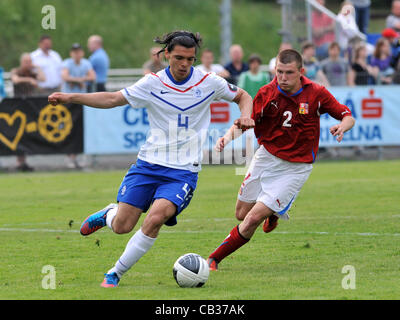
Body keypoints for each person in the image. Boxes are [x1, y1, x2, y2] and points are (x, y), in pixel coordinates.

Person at [48, 30, 254, 287]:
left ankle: (114, 273)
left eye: (190, 59)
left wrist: (245, 116)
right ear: (166, 54)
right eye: (179, 57)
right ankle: (109, 214)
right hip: (148, 165)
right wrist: (70, 97)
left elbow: (243, 96)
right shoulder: (152, 83)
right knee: (123, 225)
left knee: (155, 218)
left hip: (182, 172)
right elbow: (112, 98)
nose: (184, 64)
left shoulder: (209, 81)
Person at [206, 49, 355, 271]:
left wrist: (342, 126)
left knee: (253, 218)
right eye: (279, 72)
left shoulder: (316, 93)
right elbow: (246, 122)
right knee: (241, 213)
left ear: (301, 72)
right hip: (266, 158)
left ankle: (213, 259)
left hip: (297, 168)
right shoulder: (266, 93)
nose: (283, 78)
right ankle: (276, 211)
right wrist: (227, 138)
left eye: (288, 73)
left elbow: (347, 116)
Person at [61, 43, 96, 169]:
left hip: (82, 101)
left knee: (82, 129)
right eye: (74, 51)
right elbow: (64, 76)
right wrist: (80, 80)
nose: (77, 54)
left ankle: (81, 157)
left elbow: (93, 76)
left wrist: (74, 79)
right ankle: (70, 157)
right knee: (69, 129)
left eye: (78, 51)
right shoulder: (67, 63)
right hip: (69, 102)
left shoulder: (86, 63)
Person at [10, 53, 46, 172]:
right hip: (18, 110)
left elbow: (43, 78)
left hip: (30, 110)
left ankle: (24, 162)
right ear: (21, 62)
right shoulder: (17, 71)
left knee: (28, 134)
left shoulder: (32, 72)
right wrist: (29, 80)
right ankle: (20, 162)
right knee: (19, 135)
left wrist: (38, 68)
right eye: (26, 61)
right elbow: (15, 80)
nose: (28, 64)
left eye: (30, 61)